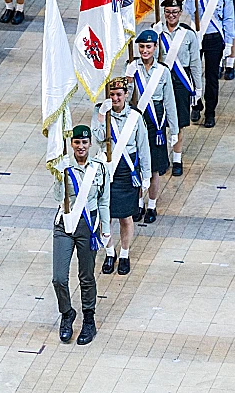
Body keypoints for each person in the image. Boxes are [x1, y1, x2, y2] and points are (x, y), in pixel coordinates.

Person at [52, 125, 110, 345]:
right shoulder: (64, 166)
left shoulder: (98, 168)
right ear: (71, 144)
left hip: (88, 225)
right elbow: (57, 196)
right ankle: (67, 313)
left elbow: (104, 200)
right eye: (77, 142)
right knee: (59, 277)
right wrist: (59, 175)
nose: (81, 146)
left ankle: (88, 318)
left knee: (86, 277)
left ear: (90, 144)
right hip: (65, 223)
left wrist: (105, 228)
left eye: (84, 142)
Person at [91, 77, 151, 276]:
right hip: (108, 170)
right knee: (104, 215)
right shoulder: (101, 112)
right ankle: (110, 252)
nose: (115, 98)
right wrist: (101, 116)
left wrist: (146, 176)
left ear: (126, 95)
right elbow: (98, 138)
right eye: (112, 94)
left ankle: (124, 253)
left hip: (127, 170)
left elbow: (143, 147)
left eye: (119, 94)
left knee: (125, 217)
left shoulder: (135, 117)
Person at [126, 29, 178, 223]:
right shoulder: (132, 67)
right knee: (138, 165)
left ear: (155, 48)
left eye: (148, 46)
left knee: (154, 168)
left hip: (156, 121)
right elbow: (127, 98)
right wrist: (129, 80)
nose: (145, 50)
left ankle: (152, 205)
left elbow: (170, 102)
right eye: (142, 47)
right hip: (138, 119)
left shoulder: (162, 71)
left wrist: (173, 130)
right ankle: (138, 202)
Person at [184, 0, 235, 128]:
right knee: (193, 75)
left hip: (214, 38)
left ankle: (210, 112)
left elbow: (229, 19)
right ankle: (196, 105)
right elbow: (190, 11)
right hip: (196, 38)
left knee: (212, 77)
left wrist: (229, 43)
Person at [155, 0, 202, 176]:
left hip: (181, 82)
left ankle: (177, 158)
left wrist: (198, 88)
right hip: (163, 80)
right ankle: (161, 159)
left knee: (179, 122)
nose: (171, 15)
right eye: (168, 12)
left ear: (181, 13)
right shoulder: (157, 32)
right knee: (161, 120)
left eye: (175, 12)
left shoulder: (188, 34)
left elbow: (196, 62)